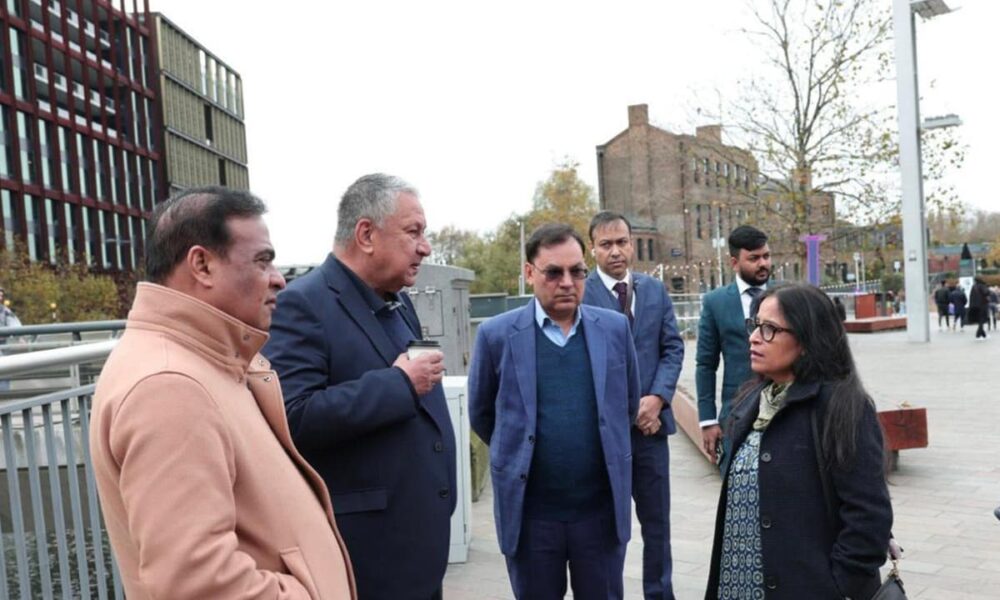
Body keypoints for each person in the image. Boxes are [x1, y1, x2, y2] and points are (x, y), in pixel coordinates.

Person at [90, 187, 356, 599]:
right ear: (202, 265)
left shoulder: (205, 362)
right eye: (262, 260)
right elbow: (196, 582)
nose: (278, 278)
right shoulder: (169, 386)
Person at [263, 174, 455, 600]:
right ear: (366, 234)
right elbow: (293, 417)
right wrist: (399, 385)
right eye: (413, 232)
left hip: (418, 551)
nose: (425, 247)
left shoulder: (397, 300)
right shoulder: (302, 304)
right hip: (368, 559)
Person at [469, 223, 640, 600]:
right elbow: (483, 413)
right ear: (530, 273)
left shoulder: (614, 329)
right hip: (532, 519)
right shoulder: (496, 335)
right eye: (553, 272)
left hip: (599, 516)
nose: (567, 282)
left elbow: (626, 406)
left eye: (577, 271)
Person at [706, 283, 893, 600]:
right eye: (755, 325)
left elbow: (868, 515)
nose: (754, 337)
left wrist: (839, 585)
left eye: (770, 329)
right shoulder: (752, 400)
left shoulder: (842, 407)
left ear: (807, 340)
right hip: (737, 584)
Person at [582, 211, 684, 600]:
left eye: (622, 242)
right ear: (592, 248)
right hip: (604, 437)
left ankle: (660, 594)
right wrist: (628, 410)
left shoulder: (654, 290)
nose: (616, 251)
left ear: (631, 244)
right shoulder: (581, 293)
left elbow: (672, 348)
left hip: (652, 433)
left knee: (658, 525)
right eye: (606, 244)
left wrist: (657, 398)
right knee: (609, 527)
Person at [696, 225, 771, 466]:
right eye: (754, 258)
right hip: (736, 413)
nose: (763, 264)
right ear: (734, 263)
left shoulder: (787, 295)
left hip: (784, 409)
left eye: (766, 256)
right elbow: (705, 364)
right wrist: (708, 420)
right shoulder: (715, 302)